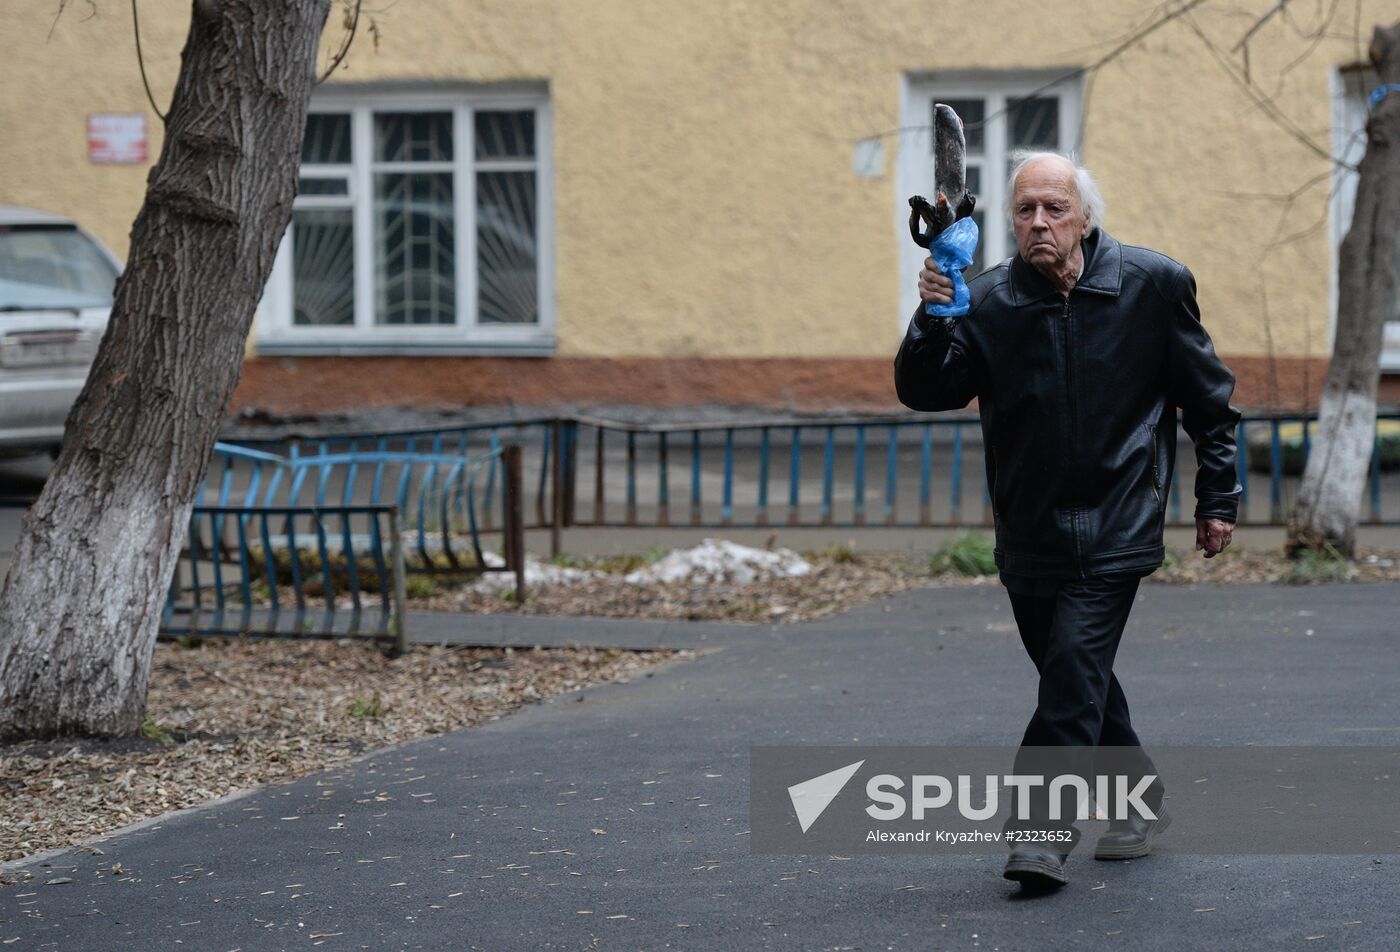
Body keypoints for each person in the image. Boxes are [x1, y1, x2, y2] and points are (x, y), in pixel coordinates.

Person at [893, 151, 1241, 891]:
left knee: (1072, 676)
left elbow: (1211, 403)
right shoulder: (985, 300)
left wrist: (1218, 498)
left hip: (1119, 521)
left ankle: (1039, 837)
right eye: (1026, 211)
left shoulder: (1153, 285)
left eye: (1055, 208)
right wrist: (932, 316)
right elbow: (927, 392)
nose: (1040, 223)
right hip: (1029, 529)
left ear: (1085, 216)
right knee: (1075, 679)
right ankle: (1138, 800)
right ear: (1010, 219)